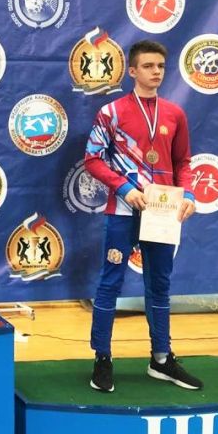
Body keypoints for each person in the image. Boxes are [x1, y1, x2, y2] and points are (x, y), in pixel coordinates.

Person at [84, 40, 202, 392]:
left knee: (160, 285)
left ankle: (161, 359)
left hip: (163, 211)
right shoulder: (111, 112)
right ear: (132, 71)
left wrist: (189, 194)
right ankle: (102, 358)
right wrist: (124, 188)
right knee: (110, 282)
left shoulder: (174, 114)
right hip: (124, 209)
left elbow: (183, 162)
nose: (156, 72)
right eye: (149, 66)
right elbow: (93, 160)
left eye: (161, 66)